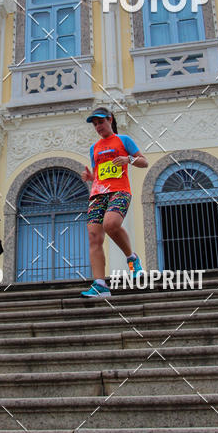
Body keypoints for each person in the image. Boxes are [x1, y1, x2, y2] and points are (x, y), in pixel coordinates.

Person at [81, 107, 148, 298]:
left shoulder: (123, 140)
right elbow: (100, 175)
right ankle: (100, 285)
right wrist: (90, 176)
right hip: (98, 194)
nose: (98, 127)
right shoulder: (94, 148)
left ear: (110, 120)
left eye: (100, 122)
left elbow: (144, 162)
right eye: (95, 124)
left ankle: (132, 259)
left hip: (119, 191)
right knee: (94, 237)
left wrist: (128, 159)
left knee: (111, 224)